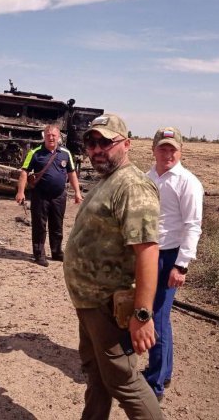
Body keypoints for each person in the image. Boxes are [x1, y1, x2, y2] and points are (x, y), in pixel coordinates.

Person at [64, 114, 165, 420]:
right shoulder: (109, 180)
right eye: (91, 143)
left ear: (126, 144)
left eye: (105, 142)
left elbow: (148, 252)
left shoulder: (133, 186)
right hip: (90, 303)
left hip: (108, 305)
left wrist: (142, 314)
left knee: (125, 382)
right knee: (98, 374)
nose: (96, 149)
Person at [143, 126, 204, 400]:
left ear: (181, 151)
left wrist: (181, 265)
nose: (167, 153)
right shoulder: (146, 178)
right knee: (155, 314)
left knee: (157, 317)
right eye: (162, 148)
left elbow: (193, 226)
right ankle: (162, 373)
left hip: (170, 256)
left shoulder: (187, 182)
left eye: (172, 149)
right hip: (148, 254)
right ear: (154, 149)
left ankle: (155, 384)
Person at [15, 124, 82, 267]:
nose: (51, 137)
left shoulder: (65, 153)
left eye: (54, 135)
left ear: (59, 137)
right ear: (44, 136)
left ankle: (57, 252)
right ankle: (39, 255)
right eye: (48, 135)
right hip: (40, 196)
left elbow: (71, 173)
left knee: (57, 225)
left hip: (59, 196)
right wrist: (20, 192)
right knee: (39, 226)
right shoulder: (35, 153)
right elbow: (24, 172)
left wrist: (77, 192)